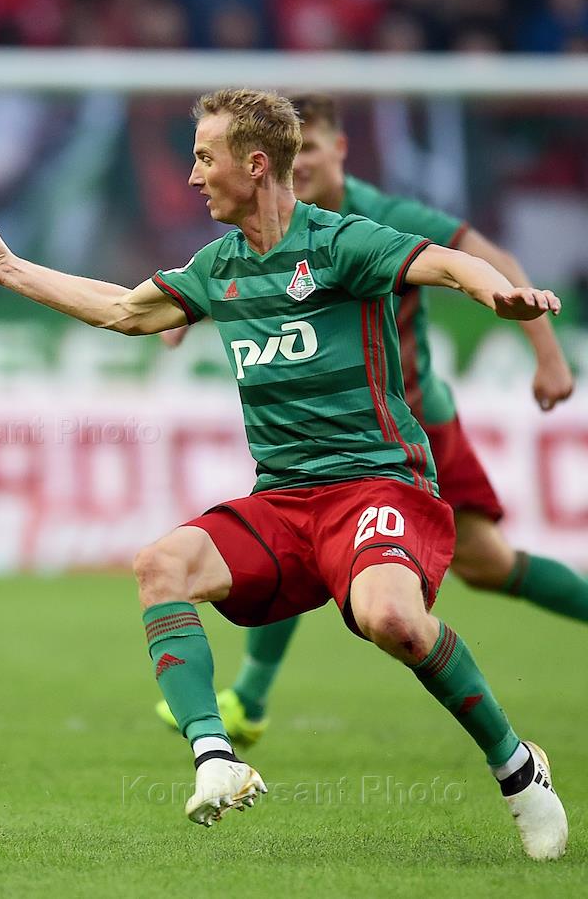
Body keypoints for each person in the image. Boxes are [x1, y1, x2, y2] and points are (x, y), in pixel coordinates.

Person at [0, 88, 567, 859]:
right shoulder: (218, 266)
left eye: (206, 158)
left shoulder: (339, 243)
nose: (194, 175)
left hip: (377, 486)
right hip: (283, 503)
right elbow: (124, 311)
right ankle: (215, 760)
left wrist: (496, 291)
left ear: (255, 163)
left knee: (393, 621)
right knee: (160, 564)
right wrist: (11, 271)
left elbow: (443, 260)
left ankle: (516, 768)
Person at [155, 93, 582, 748]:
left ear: (336, 151)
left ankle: (253, 697)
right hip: (338, 433)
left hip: (414, 424)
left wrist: (547, 354)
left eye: (314, 155)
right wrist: (186, 314)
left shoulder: (376, 218)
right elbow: (218, 290)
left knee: (487, 565)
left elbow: (483, 260)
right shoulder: (260, 236)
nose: (299, 173)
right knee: (300, 519)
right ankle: (251, 696)